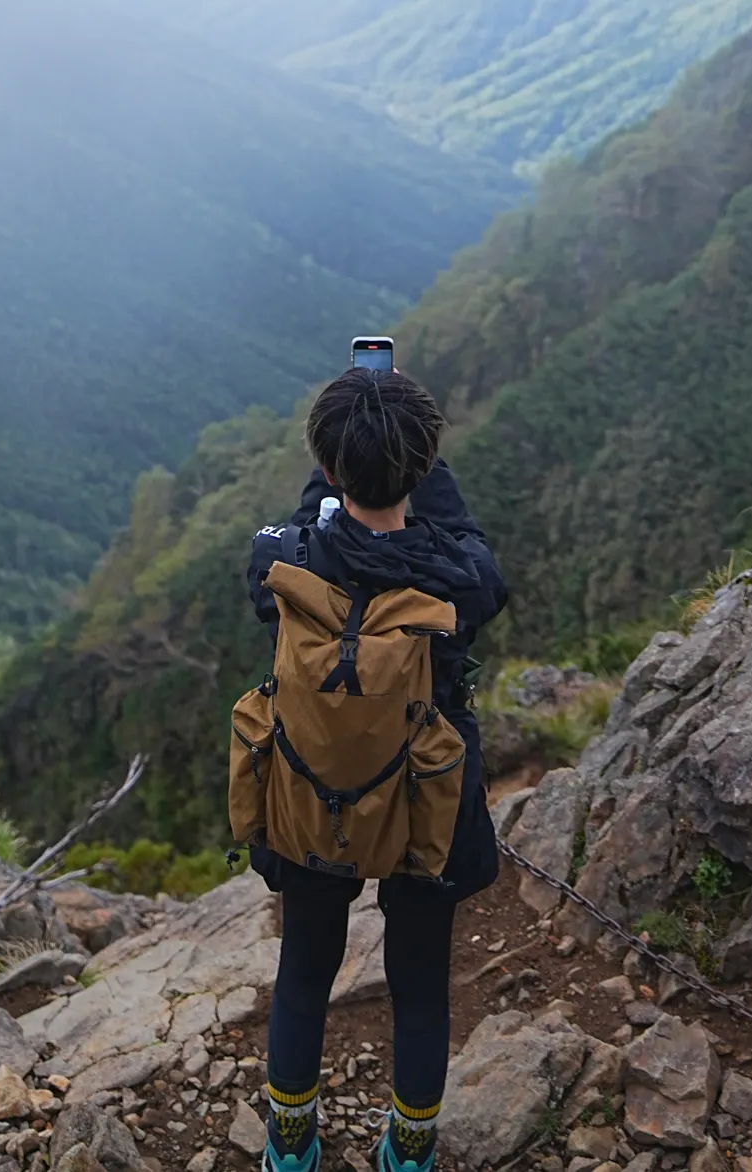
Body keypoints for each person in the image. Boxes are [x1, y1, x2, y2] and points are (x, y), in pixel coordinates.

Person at [244, 367, 508, 1172]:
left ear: (327, 470)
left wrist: (331, 481)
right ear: (426, 470)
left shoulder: (284, 561)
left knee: (303, 972)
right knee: (421, 988)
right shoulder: (458, 577)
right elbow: (479, 563)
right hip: (427, 795)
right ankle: (410, 1153)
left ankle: (291, 1149)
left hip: (313, 792)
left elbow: (288, 539)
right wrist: (422, 471)